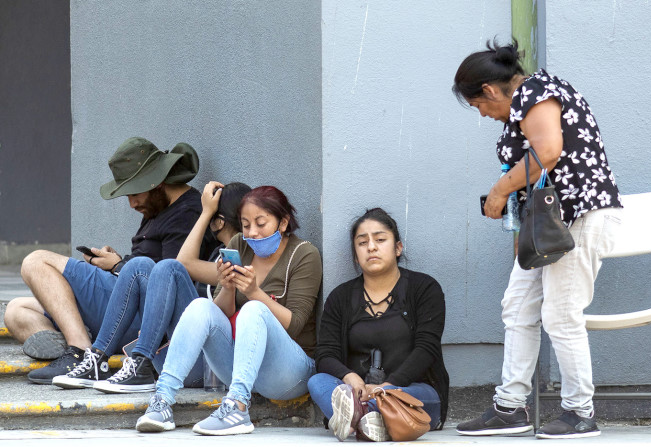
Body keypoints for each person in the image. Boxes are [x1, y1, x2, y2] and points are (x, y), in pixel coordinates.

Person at [452, 41, 623, 439]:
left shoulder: (535, 92)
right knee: (518, 307)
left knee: (562, 315)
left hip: (580, 216)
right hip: (548, 224)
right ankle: (510, 407)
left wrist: (498, 190)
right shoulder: (527, 100)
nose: (483, 113)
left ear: (490, 91)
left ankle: (579, 411)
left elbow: (548, 152)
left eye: (478, 105)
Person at [4, 137, 217, 384]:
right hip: (122, 306)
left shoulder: (186, 212)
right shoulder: (157, 205)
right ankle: (83, 337)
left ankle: (81, 353)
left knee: (35, 262)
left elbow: (168, 279)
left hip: (143, 313)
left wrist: (119, 266)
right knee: (16, 311)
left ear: (157, 183)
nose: (132, 203)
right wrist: (117, 262)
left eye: (135, 192)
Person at [134, 185, 322, 435]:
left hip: (289, 372)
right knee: (201, 306)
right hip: (243, 368)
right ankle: (162, 401)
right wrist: (229, 287)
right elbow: (220, 315)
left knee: (254, 309)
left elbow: (295, 324)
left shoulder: (304, 254)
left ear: (283, 223)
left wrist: (255, 293)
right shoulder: (239, 246)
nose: (252, 233)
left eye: (261, 223)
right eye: (245, 225)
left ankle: (238, 408)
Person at [51, 181, 251, 392]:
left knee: (169, 268)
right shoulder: (220, 255)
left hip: (205, 367)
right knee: (138, 265)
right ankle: (99, 358)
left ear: (218, 222)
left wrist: (205, 213)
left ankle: (141, 361)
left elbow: (183, 263)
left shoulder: (242, 264)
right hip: (183, 353)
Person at [307, 208, 449, 442]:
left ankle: (359, 416)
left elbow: (427, 349)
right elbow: (325, 354)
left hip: (410, 392)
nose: (371, 247)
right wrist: (350, 378)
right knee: (317, 381)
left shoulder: (424, 289)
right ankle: (371, 420)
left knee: (410, 397)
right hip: (357, 392)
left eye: (380, 239)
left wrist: (386, 387)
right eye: (362, 243)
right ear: (355, 254)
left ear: (398, 248)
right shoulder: (340, 297)